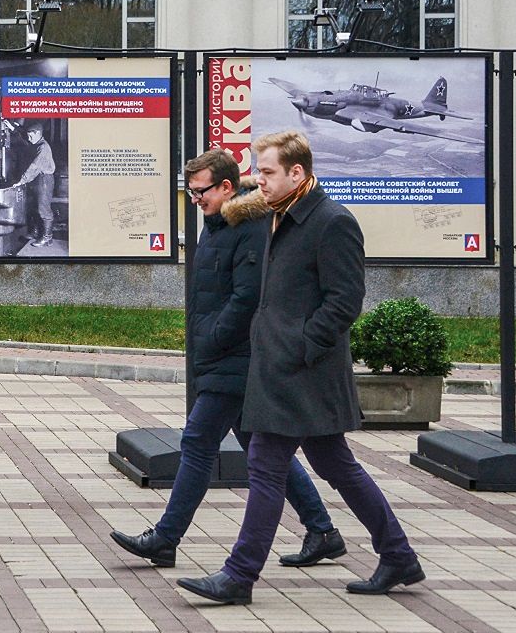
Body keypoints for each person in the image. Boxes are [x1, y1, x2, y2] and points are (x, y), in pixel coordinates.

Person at [178, 131, 421, 606]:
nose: (258, 182)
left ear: (297, 173)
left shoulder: (331, 222)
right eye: (257, 171)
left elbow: (344, 301)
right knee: (338, 466)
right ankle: (398, 554)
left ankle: (239, 575)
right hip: (281, 366)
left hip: (304, 370)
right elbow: (241, 214)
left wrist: (300, 346)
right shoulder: (276, 214)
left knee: (266, 465)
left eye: (267, 173)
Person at [111, 149, 344, 570]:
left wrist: (214, 339)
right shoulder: (217, 224)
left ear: (226, 186)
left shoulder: (248, 227)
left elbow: (247, 296)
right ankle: (322, 529)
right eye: (190, 191)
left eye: (201, 191)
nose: (195, 199)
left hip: (237, 357)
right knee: (260, 446)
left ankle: (166, 538)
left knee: (198, 443)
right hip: (222, 357)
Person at [8, 120, 57, 247]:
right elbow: (23, 136)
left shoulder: (43, 148)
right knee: (32, 207)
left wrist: (21, 181)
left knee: (43, 209)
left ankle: (47, 238)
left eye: (31, 136)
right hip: (35, 179)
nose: (28, 139)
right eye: (28, 136)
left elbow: (34, 167)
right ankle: (35, 232)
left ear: (37, 133)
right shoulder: (36, 142)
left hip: (44, 180)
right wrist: (12, 128)